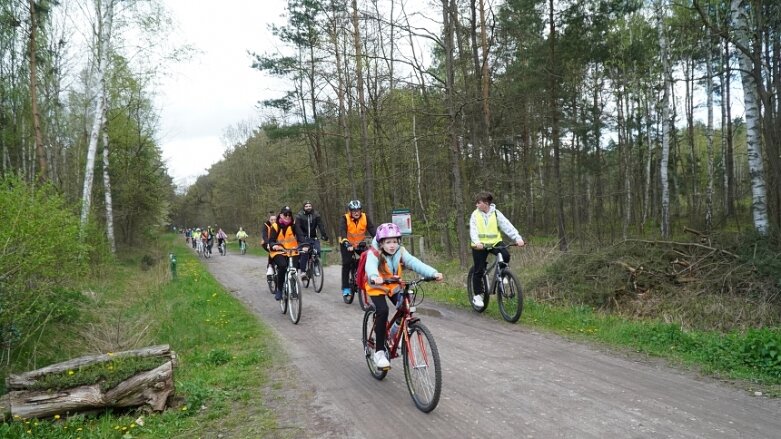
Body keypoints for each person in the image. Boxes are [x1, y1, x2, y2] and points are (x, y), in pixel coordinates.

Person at [365, 223, 443, 368]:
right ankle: (379, 352)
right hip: (377, 286)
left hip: (393, 285)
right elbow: (370, 266)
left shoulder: (400, 251)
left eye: (395, 241)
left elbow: (414, 262)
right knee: (383, 311)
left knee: (406, 306)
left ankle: (394, 335)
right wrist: (375, 276)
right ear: (381, 243)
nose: (392, 245)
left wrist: (432, 273)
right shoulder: (374, 253)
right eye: (388, 242)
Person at [469, 191, 525, 308]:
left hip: (495, 243)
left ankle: (503, 274)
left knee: (506, 255)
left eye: (478, 203)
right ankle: (478, 295)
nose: (476, 205)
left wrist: (518, 238)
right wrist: (477, 242)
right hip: (480, 245)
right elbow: (473, 230)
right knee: (479, 269)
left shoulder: (496, 214)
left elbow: (507, 226)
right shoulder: (475, 215)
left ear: (485, 203)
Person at [338, 199, 376, 302]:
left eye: (358, 210)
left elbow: (372, 230)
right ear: (350, 211)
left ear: (361, 210)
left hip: (359, 243)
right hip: (346, 244)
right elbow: (342, 231)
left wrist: (380, 239)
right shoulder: (344, 218)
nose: (356, 212)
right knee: (346, 263)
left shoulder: (365, 217)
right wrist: (346, 242)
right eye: (353, 211)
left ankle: (364, 276)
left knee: (369, 257)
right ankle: (345, 288)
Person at [268, 206, 304, 301]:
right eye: (285, 214)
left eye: (289, 214)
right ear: (281, 215)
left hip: (292, 251)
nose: (288, 216)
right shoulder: (275, 226)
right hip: (279, 251)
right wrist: (274, 245)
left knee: (294, 269)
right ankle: (279, 290)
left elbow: (300, 236)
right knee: (283, 266)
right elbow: (271, 241)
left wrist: (304, 245)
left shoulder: (294, 225)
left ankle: (293, 289)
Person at [295, 201, 329, 279]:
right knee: (305, 253)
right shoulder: (299, 216)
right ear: (304, 207)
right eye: (306, 206)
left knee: (318, 251)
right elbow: (298, 228)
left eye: (309, 206)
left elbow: (321, 225)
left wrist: (324, 235)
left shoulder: (316, 215)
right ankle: (303, 272)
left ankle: (316, 266)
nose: (308, 207)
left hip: (314, 238)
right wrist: (301, 239)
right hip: (304, 238)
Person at [261, 212, 277, 283]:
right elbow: (264, 236)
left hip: (276, 243)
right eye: (271, 220)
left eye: (274, 220)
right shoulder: (266, 226)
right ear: (269, 220)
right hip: (266, 243)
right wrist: (268, 243)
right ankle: (270, 270)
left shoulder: (279, 225)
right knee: (272, 252)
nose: (273, 221)